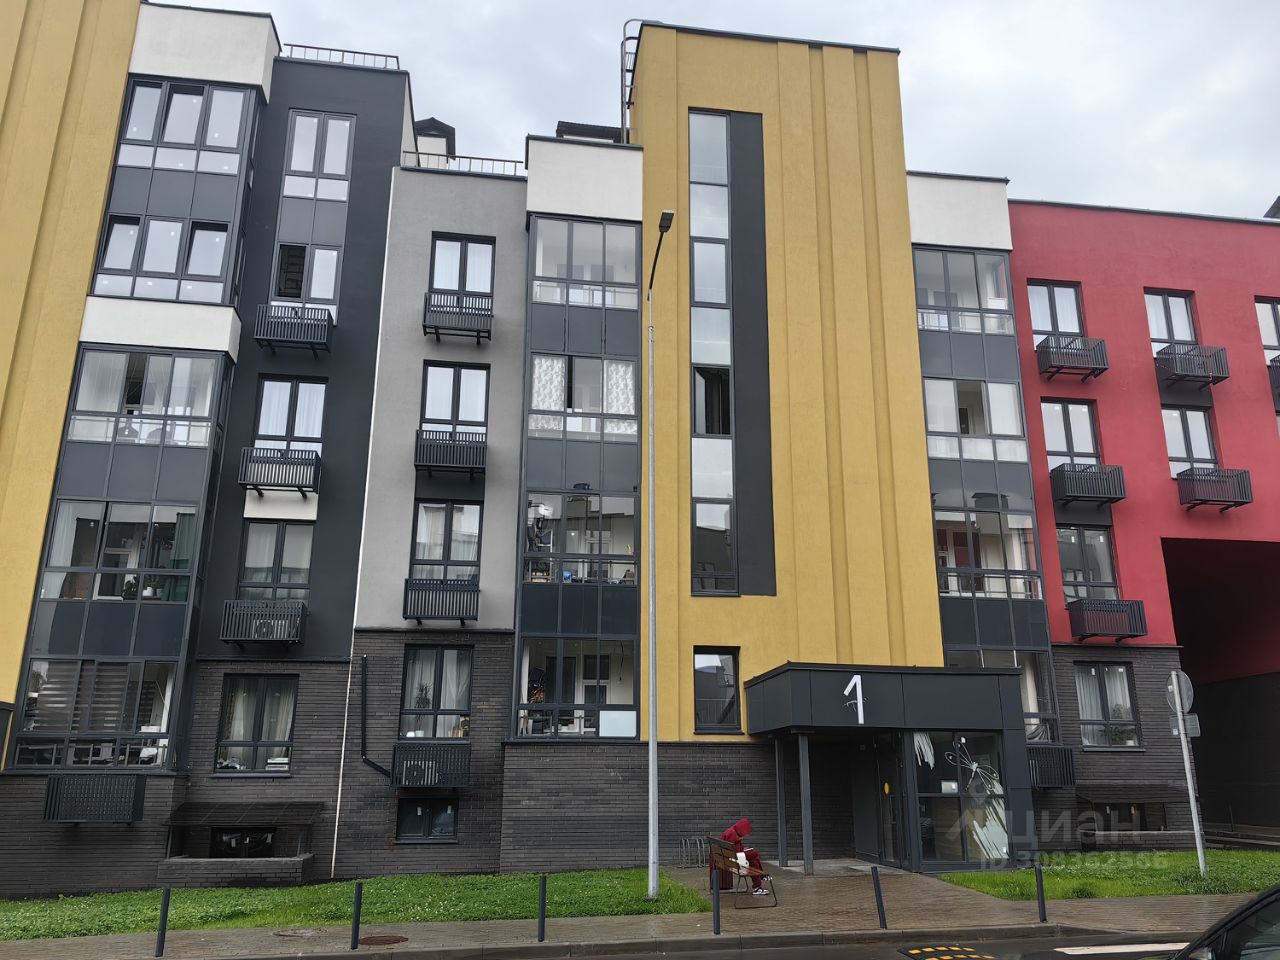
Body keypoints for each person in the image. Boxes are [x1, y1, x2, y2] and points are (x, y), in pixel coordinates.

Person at [718, 818, 770, 895]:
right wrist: (742, 848)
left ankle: (758, 884)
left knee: (754, 860)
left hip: (727, 858)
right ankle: (760, 880)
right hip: (733, 860)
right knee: (755, 854)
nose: (745, 834)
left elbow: (733, 848)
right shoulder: (732, 834)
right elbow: (735, 852)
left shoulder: (732, 831)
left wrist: (743, 848)